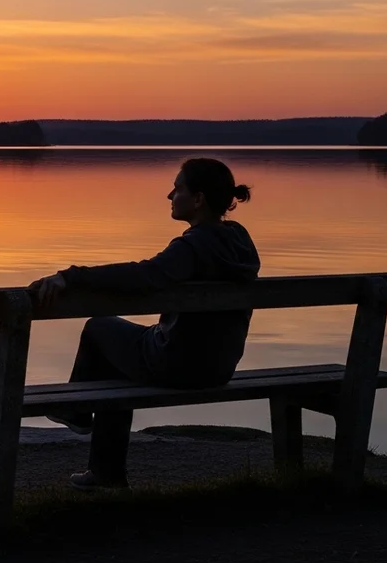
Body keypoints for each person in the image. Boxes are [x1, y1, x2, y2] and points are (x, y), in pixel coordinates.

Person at [28, 157, 261, 491]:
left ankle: (79, 416)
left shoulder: (192, 246)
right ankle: (99, 461)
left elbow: (144, 276)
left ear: (198, 199)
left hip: (177, 365)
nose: (170, 195)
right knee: (119, 358)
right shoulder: (240, 241)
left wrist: (71, 276)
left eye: (178, 188)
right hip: (220, 366)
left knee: (99, 327)